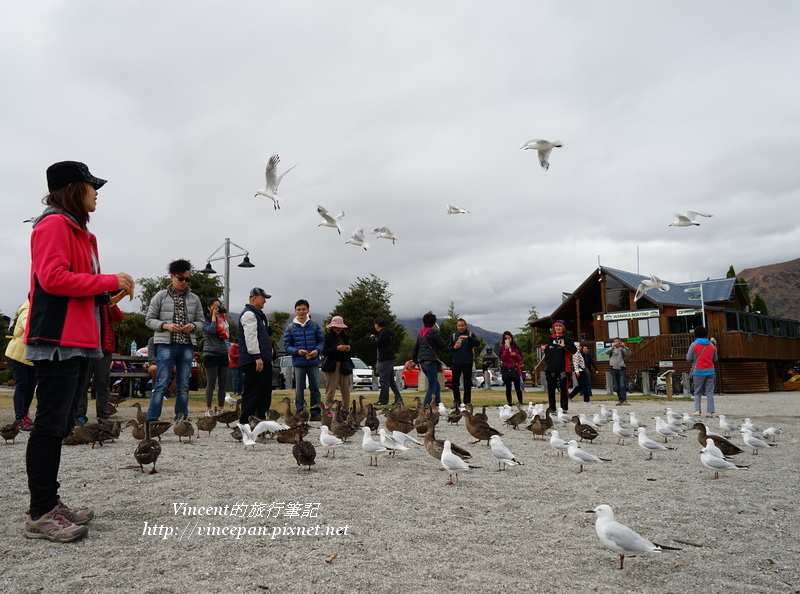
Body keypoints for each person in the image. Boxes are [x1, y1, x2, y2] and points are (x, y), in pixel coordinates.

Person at [23, 161, 134, 542]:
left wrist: (112, 291)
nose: (96, 192)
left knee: (60, 424)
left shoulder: (76, 229)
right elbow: (52, 279)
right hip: (57, 340)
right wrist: (107, 279)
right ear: (73, 188)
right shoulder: (53, 224)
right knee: (50, 426)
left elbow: (80, 286)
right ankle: (41, 512)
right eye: (91, 185)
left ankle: (49, 503)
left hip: (77, 340)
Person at [144, 259, 205, 422]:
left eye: (187, 279)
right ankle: (152, 420)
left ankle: (181, 420)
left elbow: (202, 323)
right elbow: (149, 320)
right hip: (166, 345)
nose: (184, 282)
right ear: (171, 277)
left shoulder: (195, 299)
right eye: (181, 278)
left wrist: (192, 326)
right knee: (161, 384)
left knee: (184, 385)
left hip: (186, 346)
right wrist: (166, 326)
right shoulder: (160, 296)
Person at [75, 294, 125, 424]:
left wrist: (111, 303)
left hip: (103, 349)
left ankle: (103, 416)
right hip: (85, 348)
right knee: (82, 384)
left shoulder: (106, 301)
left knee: (102, 384)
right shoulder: (84, 300)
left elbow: (118, 318)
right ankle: (79, 416)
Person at [283, 299, 324, 421]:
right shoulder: (290, 328)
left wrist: (317, 350)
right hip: (299, 363)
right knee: (299, 389)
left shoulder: (315, 325)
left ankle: (316, 412)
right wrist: (297, 351)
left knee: (315, 388)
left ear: (308, 310)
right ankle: (300, 412)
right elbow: (287, 345)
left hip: (313, 362)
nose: (301, 311)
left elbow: (321, 341)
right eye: (299, 309)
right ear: (295, 311)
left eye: (304, 309)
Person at [238, 287, 274, 423]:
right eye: (263, 298)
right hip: (255, 360)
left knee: (264, 393)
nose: (265, 301)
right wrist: (257, 357)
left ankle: (260, 422)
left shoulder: (259, 314)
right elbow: (250, 337)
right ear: (254, 298)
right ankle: (245, 423)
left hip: (263, 359)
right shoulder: (249, 314)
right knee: (253, 392)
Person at [5, 299, 36, 431]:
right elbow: (27, 325)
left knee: (31, 386)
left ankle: (25, 414)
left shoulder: (38, 309)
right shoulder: (27, 310)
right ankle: (20, 418)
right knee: (22, 385)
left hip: (31, 357)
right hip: (18, 354)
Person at [411, 311, 446, 407]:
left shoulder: (421, 333)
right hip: (431, 362)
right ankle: (425, 405)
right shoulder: (433, 332)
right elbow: (442, 345)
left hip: (422, 362)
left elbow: (415, 348)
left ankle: (438, 404)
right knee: (432, 386)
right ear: (434, 323)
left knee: (436, 384)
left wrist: (414, 361)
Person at [202, 297, 230, 416]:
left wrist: (221, 318)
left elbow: (227, 333)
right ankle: (208, 409)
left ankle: (220, 408)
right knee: (211, 382)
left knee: (223, 383)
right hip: (210, 353)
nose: (217, 309)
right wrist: (213, 317)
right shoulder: (204, 320)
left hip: (223, 353)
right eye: (215, 307)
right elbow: (212, 330)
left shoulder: (221, 318)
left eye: (219, 306)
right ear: (209, 308)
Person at [321, 316, 354, 412]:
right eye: (336, 327)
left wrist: (349, 348)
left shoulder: (346, 337)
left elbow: (354, 350)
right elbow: (324, 352)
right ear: (332, 327)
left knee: (346, 389)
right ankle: (328, 409)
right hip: (332, 365)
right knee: (330, 389)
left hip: (344, 365)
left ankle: (345, 409)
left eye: (339, 327)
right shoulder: (327, 337)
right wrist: (337, 348)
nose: (338, 329)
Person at [543, 320, 577, 412]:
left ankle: (564, 408)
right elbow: (546, 350)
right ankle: (552, 407)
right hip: (551, 368)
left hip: (563, 368)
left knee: (563, 390)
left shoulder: (567, 339)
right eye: (556, 326)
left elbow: (574, 350)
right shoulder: (550, 339)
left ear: (563, 328)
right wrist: (547, 359)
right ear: (554, 328)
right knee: (551, 389)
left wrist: (564, 346)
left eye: (560, 326)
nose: (558, 328)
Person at [448, 318, 481, 407]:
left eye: (462, 325)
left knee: (467, 383)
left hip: (467, 361)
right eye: (459, 326)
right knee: (455, 383)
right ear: (457, 326)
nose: (461, 327)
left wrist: (468, 338)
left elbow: (478, 343)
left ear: (466, 326)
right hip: (456, 362)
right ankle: (457, 401)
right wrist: (455, 347)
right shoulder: (454, 336)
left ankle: (467, 402)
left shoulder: (470, 334)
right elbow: (449, 348)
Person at [686, 326, 718, 417]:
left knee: (697, 392)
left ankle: (697, 410)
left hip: (698, 371)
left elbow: (689, 358)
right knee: (709, 391)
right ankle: (710, 412)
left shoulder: (694, 345)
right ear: (706, 334)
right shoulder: (711, 345)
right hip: (710, 371)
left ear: (696, 335)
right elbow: (715, 358)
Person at [370, 317, 403, 406]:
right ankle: (398, 399)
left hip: (385, 359)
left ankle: (383, 400)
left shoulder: (383, 332)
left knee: (384, 380)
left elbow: (378, 344)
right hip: (390, 358)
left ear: (377, 325)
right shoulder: (389, 332)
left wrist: (373, 338)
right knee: (391, 381)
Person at [499, 331, 524, 406]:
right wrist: (506, 350)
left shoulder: (516, 347)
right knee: (508, 387)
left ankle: (520, 401)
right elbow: (502, 358)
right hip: (506, 369)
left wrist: (515, 355)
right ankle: (509, 403)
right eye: (505, 338)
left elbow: (520, 359)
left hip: (515, 369)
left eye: (509, 338)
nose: (507, 340)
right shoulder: (501, 347)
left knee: (517, 387)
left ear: (511, 338)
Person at [607, 337, 631, 405]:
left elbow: (628, 353)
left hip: (621, 368)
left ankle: (624, 400)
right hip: (613, 369)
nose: (617, 343)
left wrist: (624, 346)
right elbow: (606, 353)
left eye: (618, 341)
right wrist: (612, 346)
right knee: (617, 386)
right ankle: (620, 400)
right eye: (616, 341)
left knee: (622, 385)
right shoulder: (611, 349)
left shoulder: (622, 349)